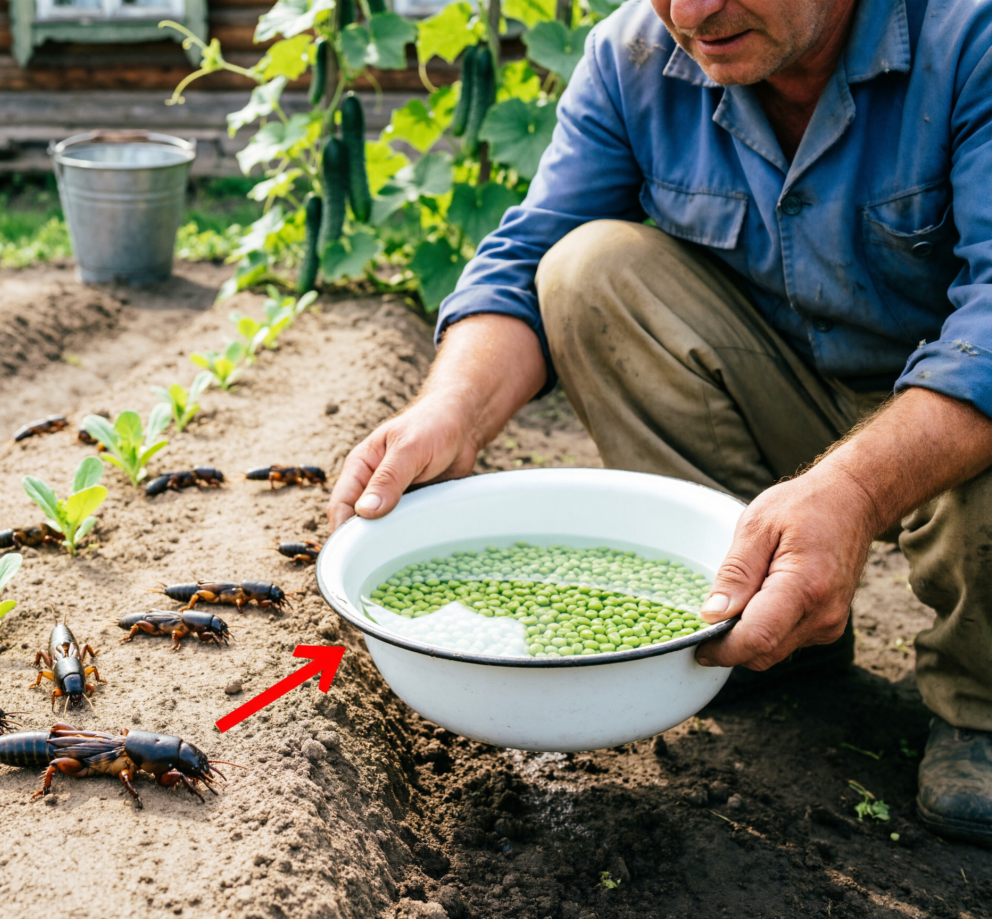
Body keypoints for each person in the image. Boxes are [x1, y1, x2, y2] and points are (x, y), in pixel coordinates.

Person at [327, 0, 992, 847]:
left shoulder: (969, 36)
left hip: (952, 422)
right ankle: (764, 616)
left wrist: (855, 491)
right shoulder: (634, 56)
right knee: (587, 269)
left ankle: (982, 703)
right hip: (789, 393)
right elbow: (525, 260)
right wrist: (451, 409)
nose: (691, 12)